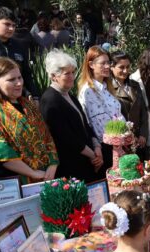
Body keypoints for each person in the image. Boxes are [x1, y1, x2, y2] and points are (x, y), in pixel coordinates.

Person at [0, 57, 58, 182]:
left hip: (44, 177)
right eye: (11, 79)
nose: (19, 83)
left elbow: (46, 136)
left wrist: (52, 165)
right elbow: (0, 152)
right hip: (10, 184)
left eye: (19, 77)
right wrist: (32, 173)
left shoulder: (27, 105)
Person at [40, 50, 102, 181]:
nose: (72, 76)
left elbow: (85, 125)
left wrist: (97, 147)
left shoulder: (70, 96)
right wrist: (93, 155)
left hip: (86, 161)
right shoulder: (50, 100)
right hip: (70, 167)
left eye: (73, 72)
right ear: (53, 76)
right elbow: (66, 137)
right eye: (66, 73)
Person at [78, 46, 125, 169]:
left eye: (108, 62)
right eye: (103, 63)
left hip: (117, 145)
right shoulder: (88, 91)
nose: (107, 66)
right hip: (103, 148)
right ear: (91, 65)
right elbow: (91, 124)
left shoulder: (106, 88)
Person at [109, 50, 150, 150]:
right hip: (120, 140)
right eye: (121, 67)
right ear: (111, 67)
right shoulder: (108, 88)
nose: (125, 71)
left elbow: (143, 111)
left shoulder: (135, 85)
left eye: (127, 67)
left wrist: (143, 134)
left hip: (138, 139)